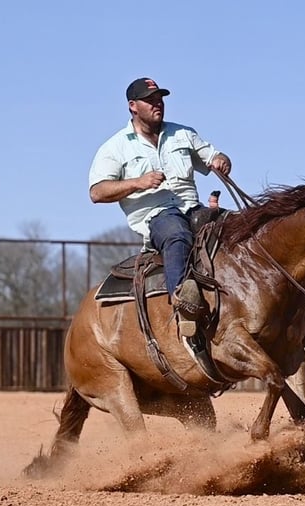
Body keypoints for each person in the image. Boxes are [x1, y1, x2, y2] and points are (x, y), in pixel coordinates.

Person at [88, 77, 232, 336]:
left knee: (240, 227)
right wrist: (138, 182)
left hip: (192, 208)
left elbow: (214, 156)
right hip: (157, 216)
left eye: (160, 99)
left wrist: (221, 161)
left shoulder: (183, 134)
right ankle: (183, 304)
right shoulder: (116, 147)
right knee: (177, 235)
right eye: (150, 100)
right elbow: (97, 192)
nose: (158, 104)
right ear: (133, 106)